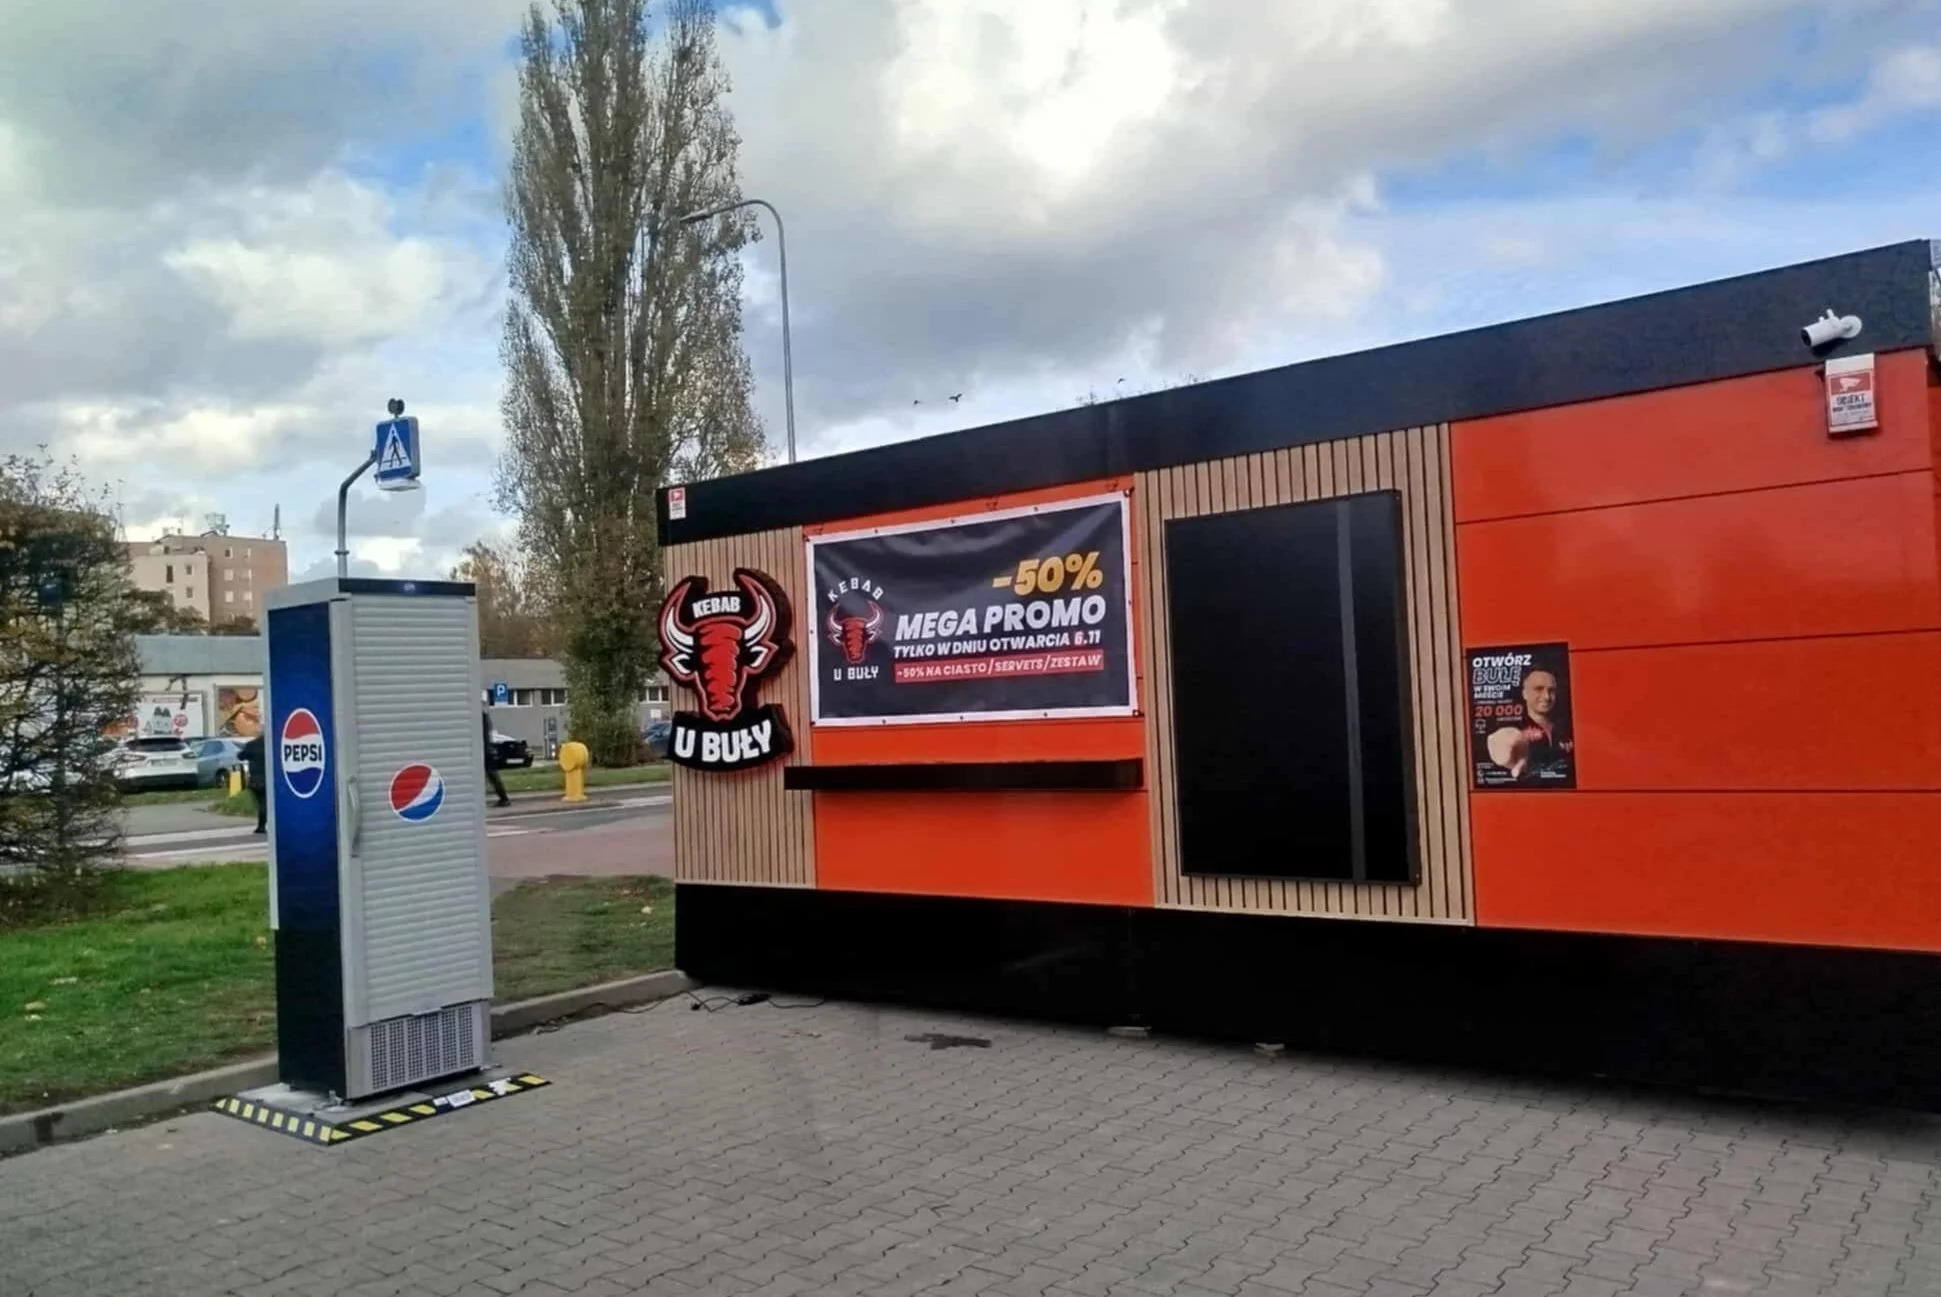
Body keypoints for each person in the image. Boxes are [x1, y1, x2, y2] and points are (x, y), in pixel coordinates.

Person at [1485, 665, 1574, 783]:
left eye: (1551, 690)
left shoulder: (1567, 728)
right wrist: (1503, 750)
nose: (1547, 696)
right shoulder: (1513, 727)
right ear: (1524, 694)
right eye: (1539, 689)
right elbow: (1500, 742)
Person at [239, 732, 267, 833]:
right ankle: (263, 825)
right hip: (268, 779)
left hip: (255, 780)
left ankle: (261, 825)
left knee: (261, 802)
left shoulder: (251, 745)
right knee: (265, 803)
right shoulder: (271, 745)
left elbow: (240, 756)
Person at [483, 711, 510, 808]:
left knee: (492, 775)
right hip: (488, 750)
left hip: (485, 751)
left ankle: (504, 798)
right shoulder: (484, 718)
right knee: (492, 776)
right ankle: (504, 798)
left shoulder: (480, 717)